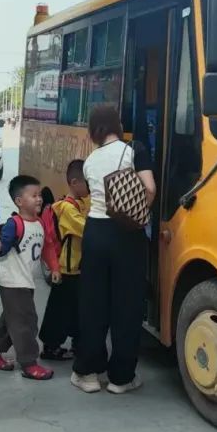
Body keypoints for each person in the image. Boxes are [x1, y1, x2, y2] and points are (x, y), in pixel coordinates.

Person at [71, 106, 155, 395]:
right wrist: (137, 213)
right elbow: (150, 188)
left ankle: (89, 374)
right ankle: (121, 378)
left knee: (94, 304)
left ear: (94, 130)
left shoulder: (90, 161)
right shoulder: (135, 149)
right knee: (127, 306)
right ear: (117, 126)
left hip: (95, 232)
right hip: (127, 235)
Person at [0, 175, 61, 380]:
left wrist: (54, 267)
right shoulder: (14, 224)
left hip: (26, 281)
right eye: (34, 195)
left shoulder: (39, 224)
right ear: (19, 201)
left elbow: (48, 247)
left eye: (39, 195)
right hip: (13, 282)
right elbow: (2, 246)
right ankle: (29, 363)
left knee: (12, 320)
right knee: (26, 322)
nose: (39, 199)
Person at [38, 160, 90, 361]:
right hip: (67, 270)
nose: (90, 186)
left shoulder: (79, 203)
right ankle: (50, 347)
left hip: (76, 269)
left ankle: (75, 343)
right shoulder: (68, 209)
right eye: (88, 182)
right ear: (75, 182)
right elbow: (86, 230)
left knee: (76, 309)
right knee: (59, 311)